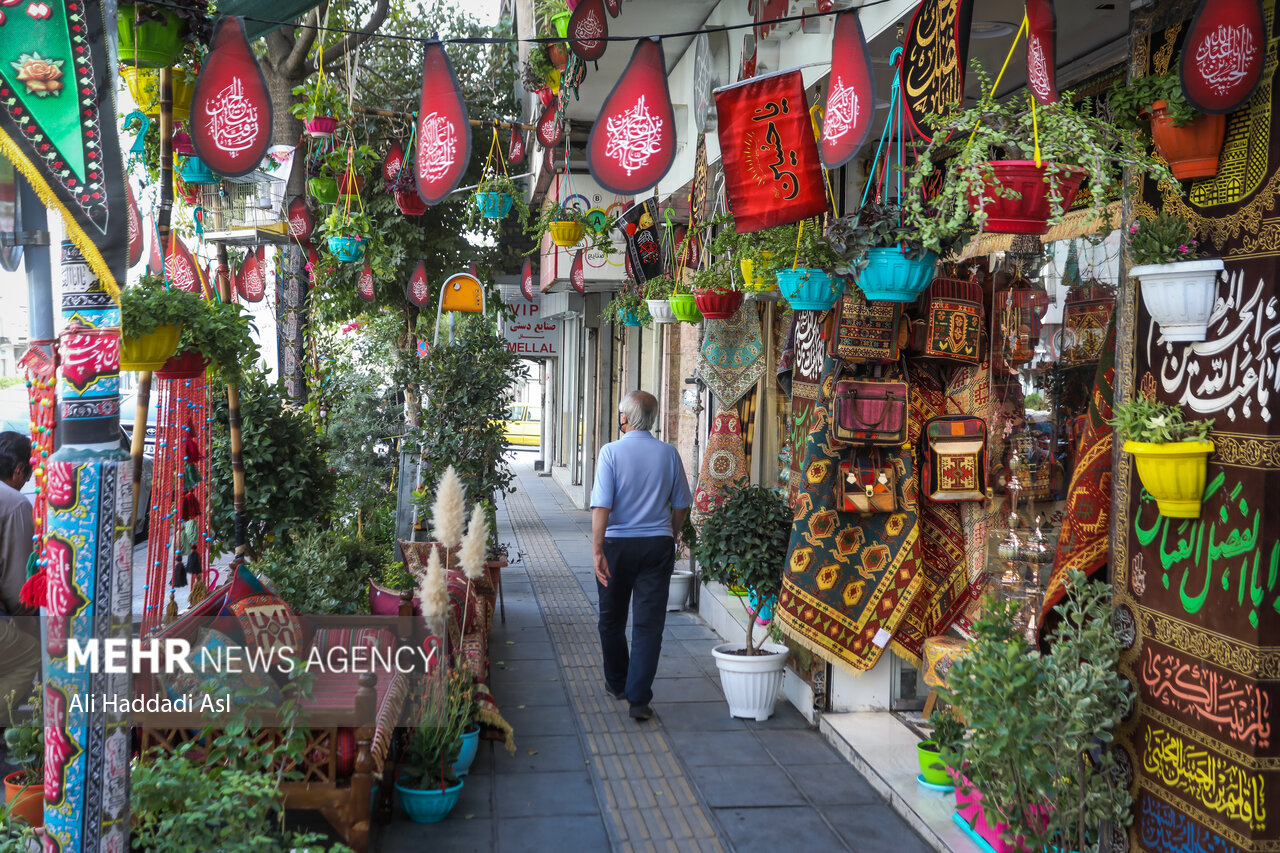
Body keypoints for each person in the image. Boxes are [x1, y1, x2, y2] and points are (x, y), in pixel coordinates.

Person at [590, 391, 691, 722]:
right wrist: (671, 533)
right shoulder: (668, 454)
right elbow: (681, 505)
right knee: (649, 625)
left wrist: (597, 549)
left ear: (626, 418)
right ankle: (638, 699)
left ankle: (617, 683)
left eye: (621, 412)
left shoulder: (610, 453)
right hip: (656, 547)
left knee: (611, 618)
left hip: (617, 546)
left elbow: (602, 505)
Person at [0, 431, 40, 728]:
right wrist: (25, 620)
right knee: (30, 652)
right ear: (18, 470)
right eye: (28, 474)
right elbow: (19, 589)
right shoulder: (15, 504)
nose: (27, 481)